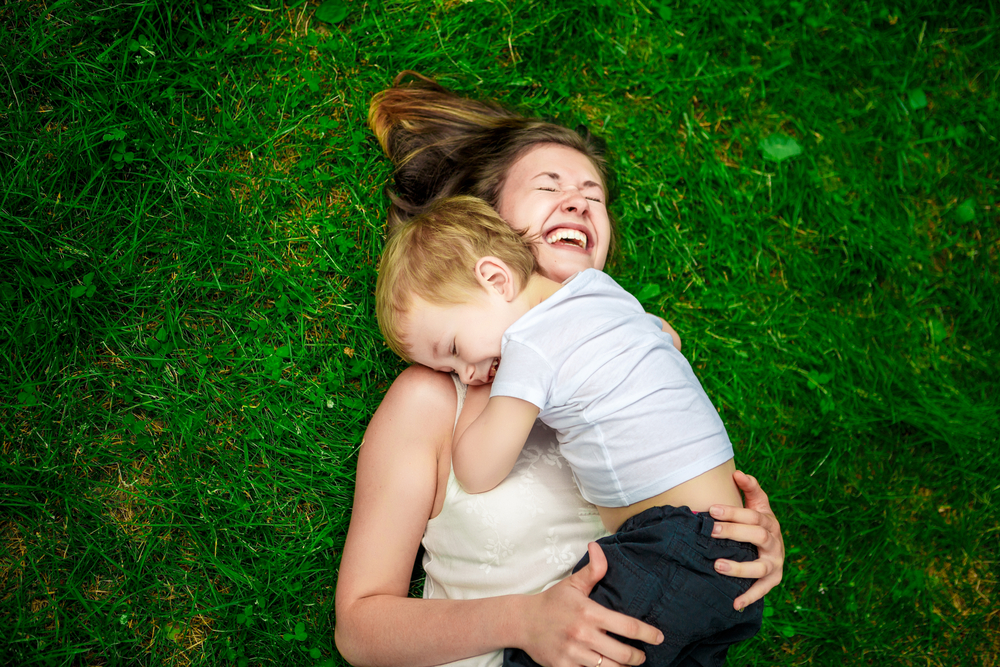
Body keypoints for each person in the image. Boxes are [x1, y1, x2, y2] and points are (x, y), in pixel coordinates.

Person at [334, 72, 784, 667]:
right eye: (548, 187)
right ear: (487, 225)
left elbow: (687, 482)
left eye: (593, 195)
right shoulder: (435, 395)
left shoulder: (635, 356)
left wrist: (743, 541)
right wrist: (523, 618)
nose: (578, 201)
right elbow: (361, 628)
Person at [374, 196, 763, 666]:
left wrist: (484, 395)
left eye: (454, 349)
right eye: (449, 368)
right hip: (720, 543)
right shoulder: (603, 294)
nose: (467, 373)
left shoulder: (532, 345)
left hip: (668, 545)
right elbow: (668, 336)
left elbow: (477, 469)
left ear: (495, 278)